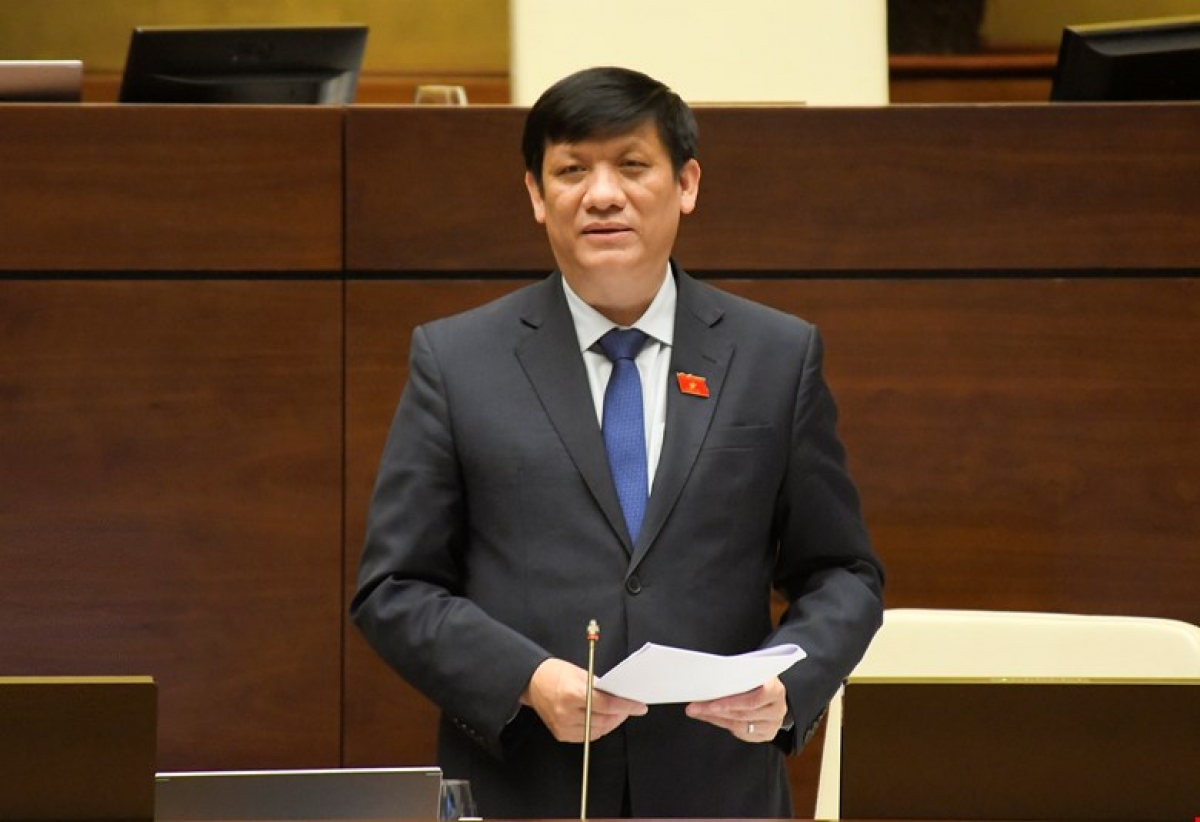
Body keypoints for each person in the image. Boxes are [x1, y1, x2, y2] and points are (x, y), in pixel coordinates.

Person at [351, 65, 884, 818]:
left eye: (632, 165)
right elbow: (394, 588)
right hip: (527, 790)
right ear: (537, 195)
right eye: (572, 170)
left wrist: (789, 685)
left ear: (686, 184)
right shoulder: (457, 361)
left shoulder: (775, 356)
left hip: (717, 791)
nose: (602, 195)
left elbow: (842, 573)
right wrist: (525, 679)